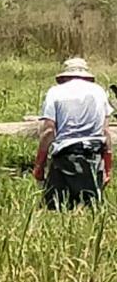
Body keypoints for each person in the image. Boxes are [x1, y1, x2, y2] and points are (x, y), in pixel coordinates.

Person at [33, 57, 113, 210]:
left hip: (66, 155)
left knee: (55, 209)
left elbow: (49, 131)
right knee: (92, 209)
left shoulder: (55, 92)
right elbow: (106, 132)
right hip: (94, 155)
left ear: (64, 76)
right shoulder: (99, 92)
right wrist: (108, 167)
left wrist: (39, 164)